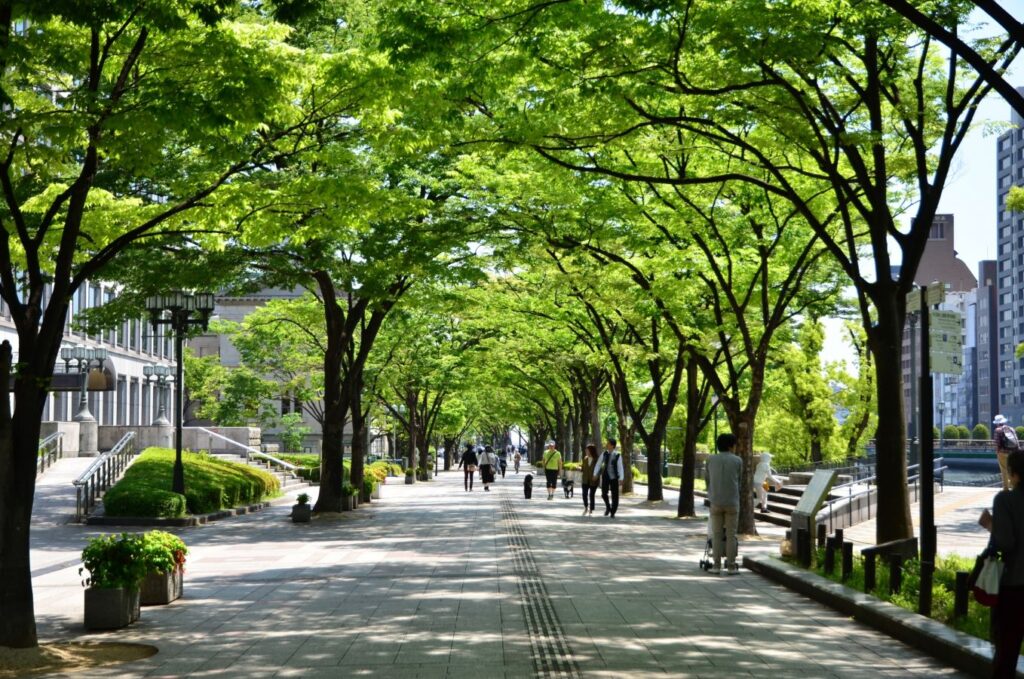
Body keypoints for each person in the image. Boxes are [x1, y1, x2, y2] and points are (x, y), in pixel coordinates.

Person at [979, 449, 1024, 678]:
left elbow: (1006, 543)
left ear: (1014, 474)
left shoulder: (1006, 500)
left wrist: (989, 525)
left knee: (1007, 651)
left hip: (1013, 586)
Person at [706, 432, 743, 575]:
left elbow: (707, 479)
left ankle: (716, 566)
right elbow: (739, 481)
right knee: (731, 534)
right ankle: (731, 566)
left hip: (715, 500)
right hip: (732, 501)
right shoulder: (738, 460)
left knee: (716, 534)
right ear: (730, 445)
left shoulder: (710, 459)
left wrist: (711, 493)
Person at [593, 438, 624, 517]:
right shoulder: (604, 454)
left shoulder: (617, 455)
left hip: (614, 477)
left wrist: (621, 478)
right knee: (604, 494)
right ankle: (608, 507)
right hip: (606, 476)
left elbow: (620, 467)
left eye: (608, 443)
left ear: (612, 445)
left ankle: (613, 511)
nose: (607, 444)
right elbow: (598, 464)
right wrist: (595, 474)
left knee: (615, 495)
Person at [993, 414, 1018, 491]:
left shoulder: (998, 430)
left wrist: (997, 452)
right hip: (1013, 453)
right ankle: (1015, 488)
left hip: (1002, 453)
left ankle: (1006, 489)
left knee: (1004, 470)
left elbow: (997, 443)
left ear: (997, 423)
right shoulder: (1011, 429)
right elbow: (1016, 441)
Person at [580, 443, 600, 515]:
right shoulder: (585, 459)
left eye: (587, 450)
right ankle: (586, 506)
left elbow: (600, 469)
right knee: (584, 494)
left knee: (591, 494)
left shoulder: (597, 459)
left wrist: (597, 476)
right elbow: (583, 468)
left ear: (591, 450)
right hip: (585, 479)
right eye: (586, 450)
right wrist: (580, 468)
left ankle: (591, 508)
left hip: (593, 480)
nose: (586, 451)